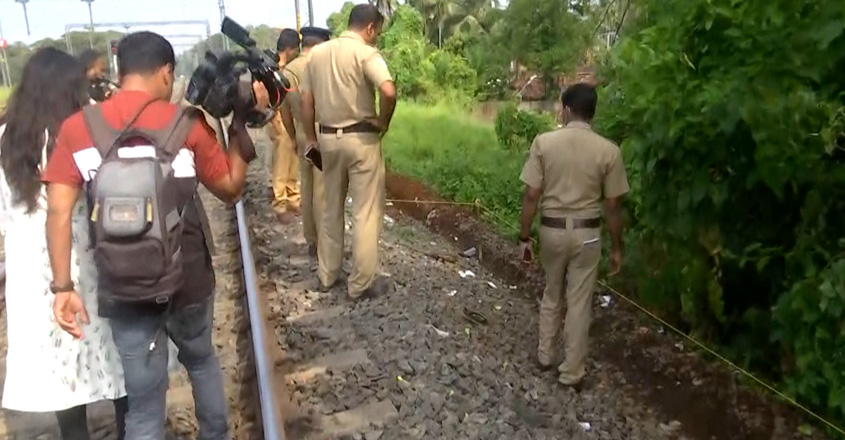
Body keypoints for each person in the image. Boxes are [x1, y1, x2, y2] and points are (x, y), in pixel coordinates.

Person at [42, 32, 268, 440]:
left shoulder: (77, 128)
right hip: (188, 274)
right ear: (166, 72)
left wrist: (63, 287)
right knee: (201, 361)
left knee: (144, 407)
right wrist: (240, 123)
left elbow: (57, 210)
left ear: (120, 71)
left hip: (123, 283)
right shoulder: (187, 124)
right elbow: (231, 188)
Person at [0, 47, 127, 439]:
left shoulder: (5, 139)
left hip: (32, 272)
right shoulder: (85, 132)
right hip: (88, 260)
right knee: (116, 359)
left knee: (62, 376)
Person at [518, 83, 629, 389]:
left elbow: (531, 194)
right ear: (592, 112)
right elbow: (612, 205)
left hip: (552, 229)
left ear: (566, 110)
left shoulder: (544, 143)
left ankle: (545, 355)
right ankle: (571, 372)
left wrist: (525, 236)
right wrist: (617, 247)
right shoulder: (609, 151)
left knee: (552, 291)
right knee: (579, 301)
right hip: (588, 233)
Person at [301, 4, 397, 300]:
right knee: (365, 211)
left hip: (328, 139)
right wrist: (383, 121)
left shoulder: (316, 54)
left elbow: (307, 102)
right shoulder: (365, 53)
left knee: (331, 209)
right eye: (377, 32)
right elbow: (389, 90)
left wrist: (310, 138)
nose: (376, 37)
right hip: (361, 140)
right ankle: (360, 285)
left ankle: (327, 275)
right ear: (369, 28)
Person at [279, 26, 332, 257]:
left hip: (301, 133)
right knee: (322, 190)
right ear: (319, 45)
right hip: (321, 132)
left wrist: (292, 136)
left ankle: (311, 238)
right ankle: (324, 243)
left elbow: (284, 110)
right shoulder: (321, 67)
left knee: (307, 187)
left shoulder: (288, 71)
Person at [266, 28, 302, 222]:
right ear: (288, 49)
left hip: (289, 117)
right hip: (278, 118)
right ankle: (280, 202)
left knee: (293, 159)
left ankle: (293, 197)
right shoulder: (273, 68)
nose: (297, 53)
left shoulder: (287, 68)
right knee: (282, 162)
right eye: (296, 49)